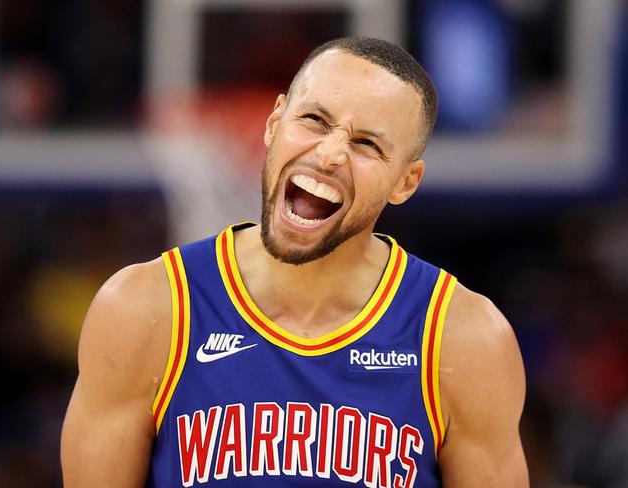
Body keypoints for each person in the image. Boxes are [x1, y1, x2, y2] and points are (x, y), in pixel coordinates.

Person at [61, 37, 528, 487]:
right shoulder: (146, 310)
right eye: (314, 120)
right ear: (273, 123)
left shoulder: (463, 340)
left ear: (405, 182)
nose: (329, 155)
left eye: (367, 144)